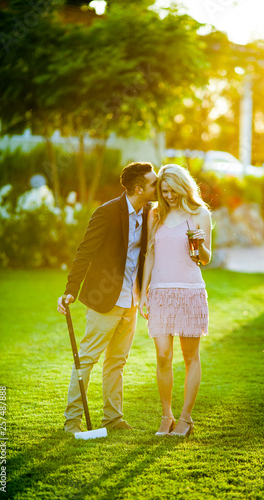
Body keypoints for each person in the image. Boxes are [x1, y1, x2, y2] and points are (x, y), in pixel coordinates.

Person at [57, 162, 158, 434]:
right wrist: (70, 290)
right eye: (153, 183)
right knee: (87, 358)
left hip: (132, 301)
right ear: (139, 189)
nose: (157, 186)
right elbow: (84, 252)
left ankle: (113, 418)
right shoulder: (107, 212)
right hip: (105, 299)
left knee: (117, 362)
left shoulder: (150, 212)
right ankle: (72, 421)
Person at [139, 164, 212, 437]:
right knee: (162, 355)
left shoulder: (199, 214)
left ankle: (185, 417)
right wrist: (144, 291)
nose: (167, 195)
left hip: (190, 291)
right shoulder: (156, 214)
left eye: (171, 190)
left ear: (183, 187)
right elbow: (149, 253)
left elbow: (205, 259)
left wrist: (200, 246)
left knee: (190, 356)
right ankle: (166, 415)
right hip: (160, 291)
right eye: (163, 190)